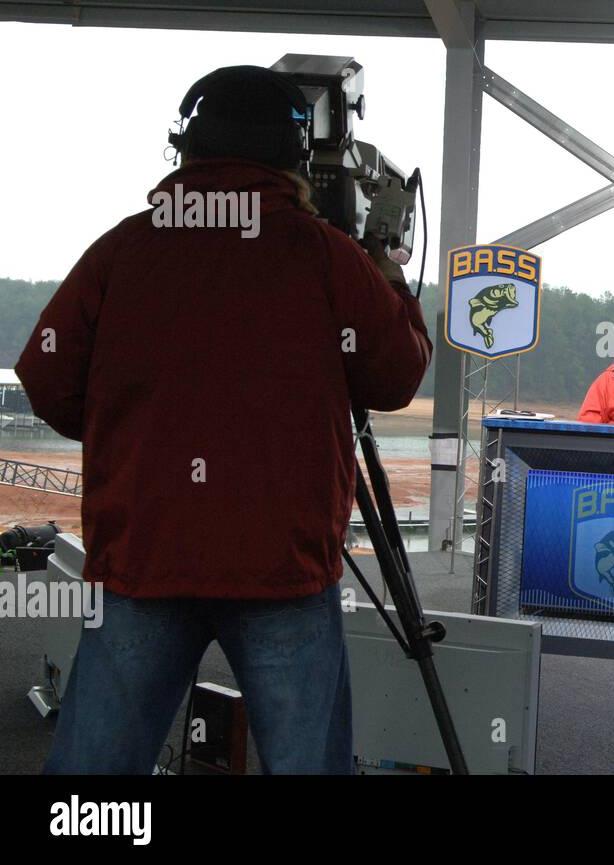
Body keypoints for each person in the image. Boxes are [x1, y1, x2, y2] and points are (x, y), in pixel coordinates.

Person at [16, 65, 432, 774]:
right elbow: (395, 375)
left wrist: (135, 441)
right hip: (282, 566)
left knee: (92, 786)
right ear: (296, 159)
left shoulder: (123, 249)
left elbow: (47, 376)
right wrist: (385, 267)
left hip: (146, 556)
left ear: (185, 151)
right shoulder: (327, 257)